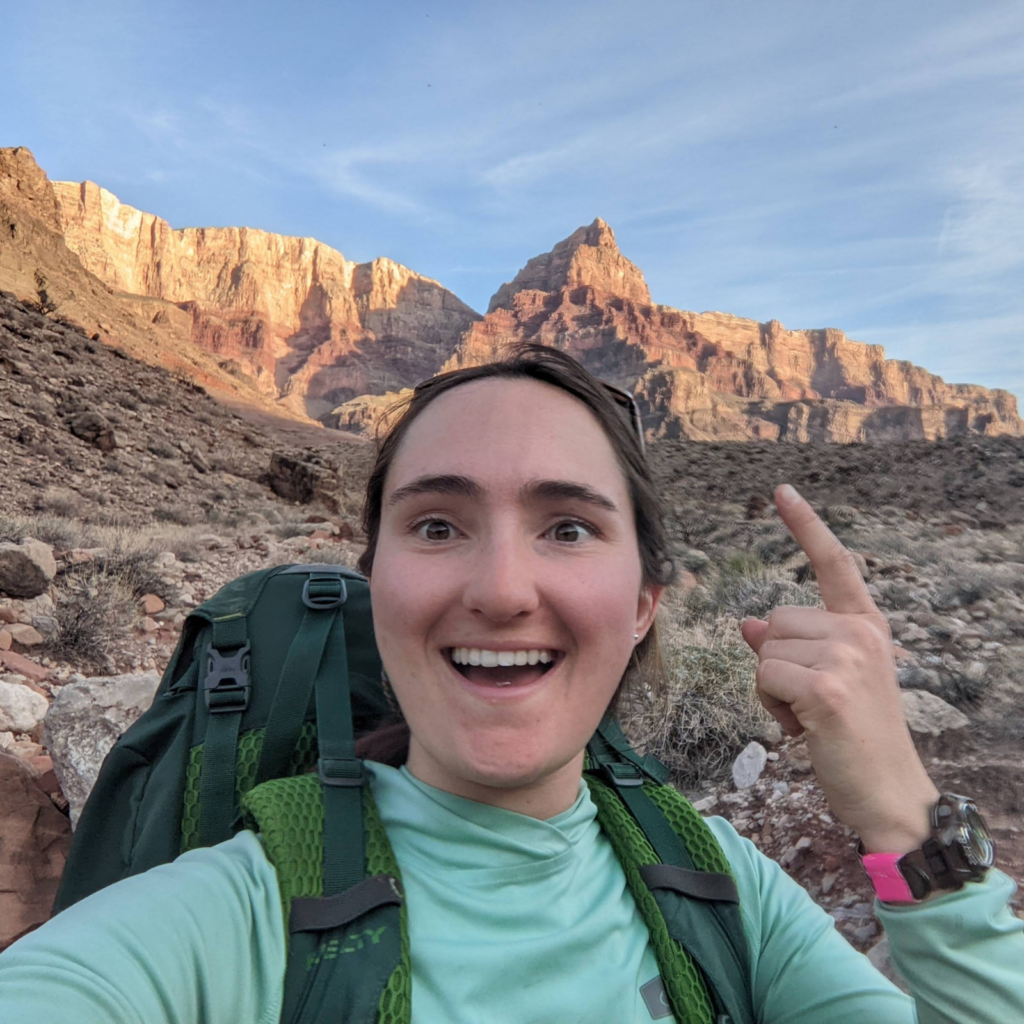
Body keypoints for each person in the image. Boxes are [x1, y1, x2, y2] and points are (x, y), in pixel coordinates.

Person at [1, 342, 1022, 1023]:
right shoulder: (233, 913)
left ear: (644, 602)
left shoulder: (719, 885)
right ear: (377, 582)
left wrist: (903, 820)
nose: (498, 589)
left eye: (568, 527)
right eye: (437, 524)